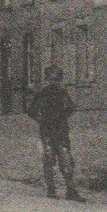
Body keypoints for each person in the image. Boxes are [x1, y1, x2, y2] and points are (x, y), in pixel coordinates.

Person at [25, 65, 84, 202]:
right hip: (47, 131)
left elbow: (71, 108)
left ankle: (70, 190)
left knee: (66, 159)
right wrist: (42, 120)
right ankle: (51, 189)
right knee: (48, 158)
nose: (54, 82)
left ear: (60, 80)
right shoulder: (42, 94)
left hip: (61, 132)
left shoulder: (62, 93)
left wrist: (62, 118)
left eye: (57, 79)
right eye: (51, 79)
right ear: (47, 79)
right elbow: (32, 111)